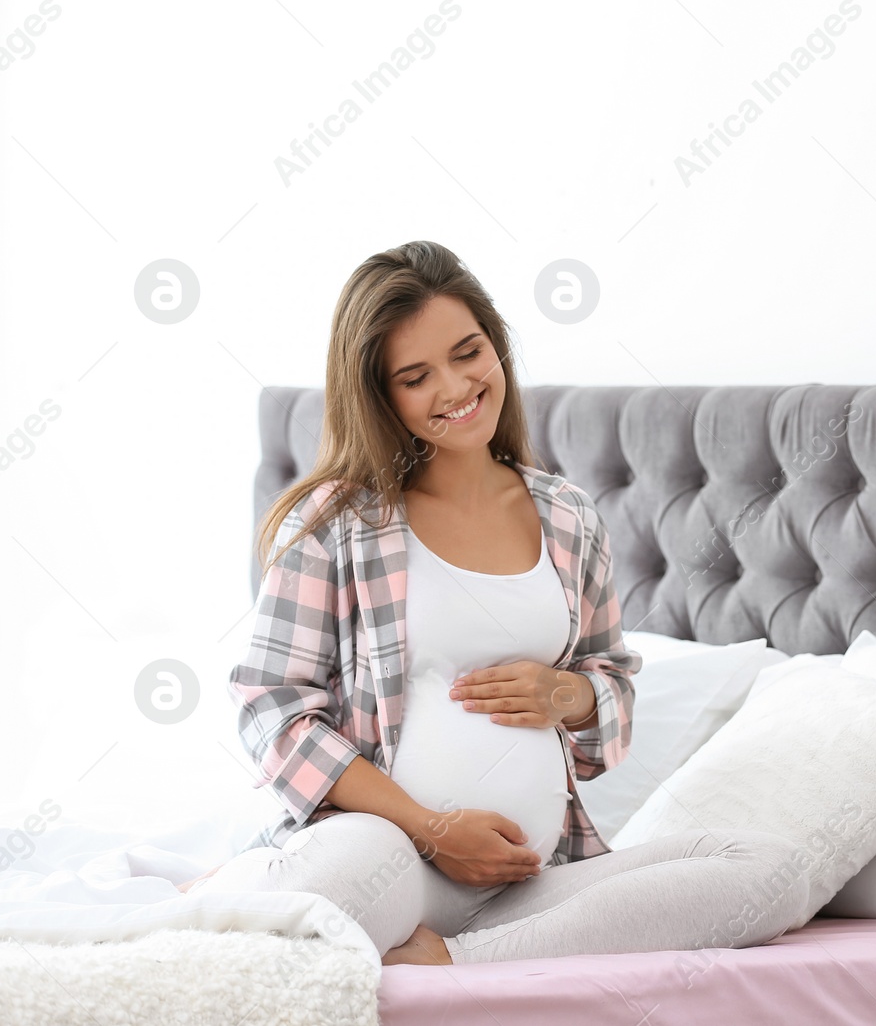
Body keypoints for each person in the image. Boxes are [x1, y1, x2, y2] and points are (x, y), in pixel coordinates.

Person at [192, 240, 809, 965]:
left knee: (776, 873)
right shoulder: (337, 524)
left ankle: (456, 958)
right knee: (291, 935)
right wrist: (431, 829)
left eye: (468, 351)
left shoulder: (568, 517)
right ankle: (232, 900)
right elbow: (272, 705)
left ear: (497, 345)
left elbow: (611, 689)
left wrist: (568, 693)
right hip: (389, 856)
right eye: (416, 376)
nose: (456, 387)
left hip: (528, 883)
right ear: (380, 395)